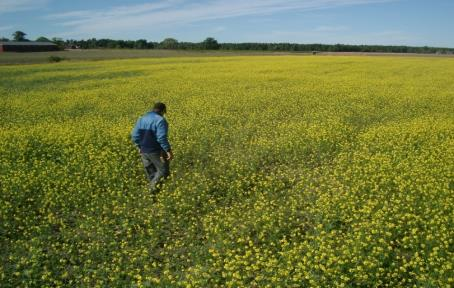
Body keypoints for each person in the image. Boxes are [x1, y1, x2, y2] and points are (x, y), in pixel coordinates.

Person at [131, 102, 173, 194]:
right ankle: (152, 191)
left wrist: (139, 146)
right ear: (163, 111)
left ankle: (156, 195)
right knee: (164, 171)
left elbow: (134, 136)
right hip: (155, 150)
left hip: (143, 150)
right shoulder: (160, 120)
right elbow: (161, 137)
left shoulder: (142, 118)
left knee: (151, 172)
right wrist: (168, 150)